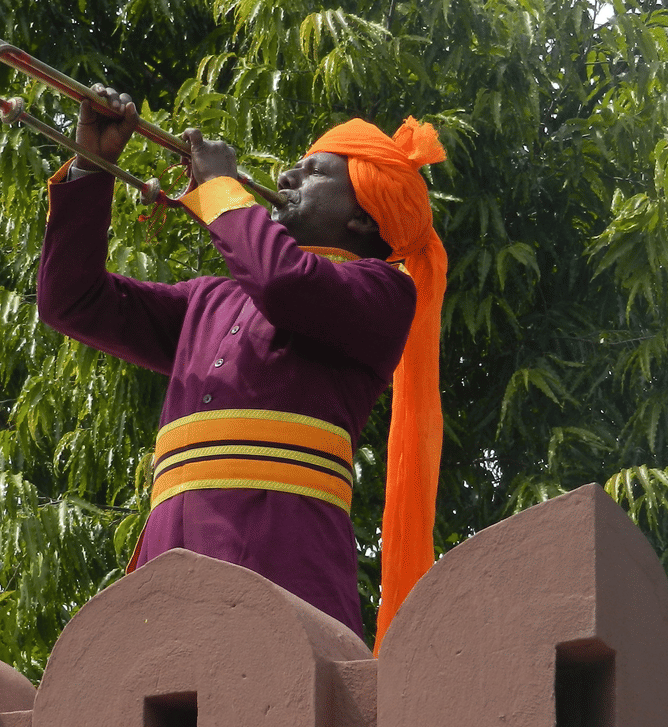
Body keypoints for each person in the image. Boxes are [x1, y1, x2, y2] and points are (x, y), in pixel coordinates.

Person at [36, 85, 447, 643]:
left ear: (362, 218)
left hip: (285, 564)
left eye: (314, 173)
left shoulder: (382, 293)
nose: (285, 179)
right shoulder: (209, 300)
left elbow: (284, 283)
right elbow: (71, 301)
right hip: (169, 561)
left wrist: (220, 189)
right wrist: (93, 162)